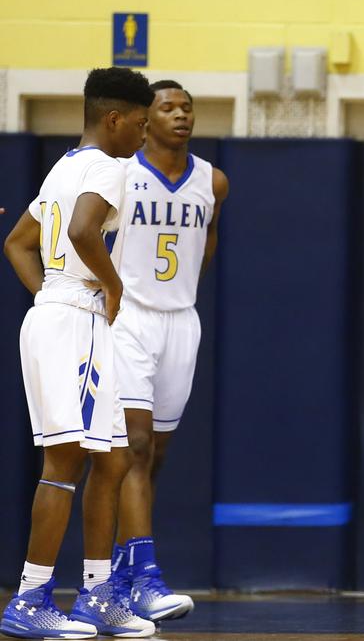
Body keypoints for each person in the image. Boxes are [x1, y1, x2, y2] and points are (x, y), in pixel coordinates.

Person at [1, 67, 156, 640]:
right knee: (65, 462)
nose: (143, 136)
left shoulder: (65, 166)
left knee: (113, 459)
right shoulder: (109, 168)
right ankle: (30, 598)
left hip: (64, 315)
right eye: (140, 123)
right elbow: (87, 232)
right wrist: (112, 286)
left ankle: (96, 595)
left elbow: (17, 242)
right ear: (114, 119)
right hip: (73, 324)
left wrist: (49, 292)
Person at [109, 80, 228, 621]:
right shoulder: (119, 173)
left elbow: (207, 246)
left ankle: (120, 575)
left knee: (152, 458)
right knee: (132, 447)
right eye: (168, 108)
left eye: (187, 107)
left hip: (181, 320)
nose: (181, 116)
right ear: (144, 118)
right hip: (129, 317)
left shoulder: (214, 181)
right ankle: (146, 579)